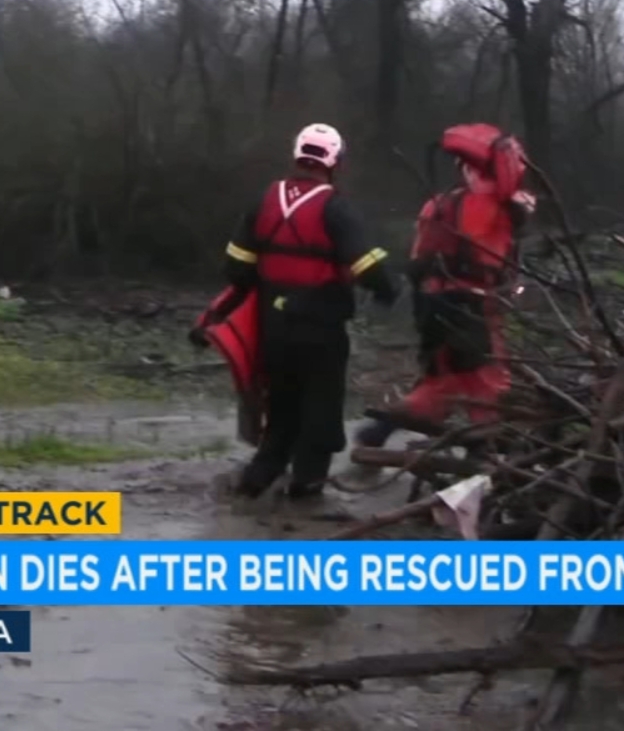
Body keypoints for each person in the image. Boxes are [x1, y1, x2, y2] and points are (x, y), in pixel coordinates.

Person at [198, 122, 399, 505]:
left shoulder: (265, 200)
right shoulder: (335, 207)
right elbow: (369, 267)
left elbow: (236, 267)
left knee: (283, 406)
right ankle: (306, 486)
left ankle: (258, 478)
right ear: (334, 161)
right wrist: (391, 291)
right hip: (321, 329)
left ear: (298, 155)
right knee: (320, 408)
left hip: (273, 329)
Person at [350, 123, 535, 453]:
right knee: (486, 378)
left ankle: (378, 432)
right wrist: (516, 210)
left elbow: (422, 255)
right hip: (470, 306)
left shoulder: (437, 204)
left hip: (431, 304)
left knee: (443, 381)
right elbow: (493, 240)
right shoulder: (489, 207)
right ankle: (486, 449)